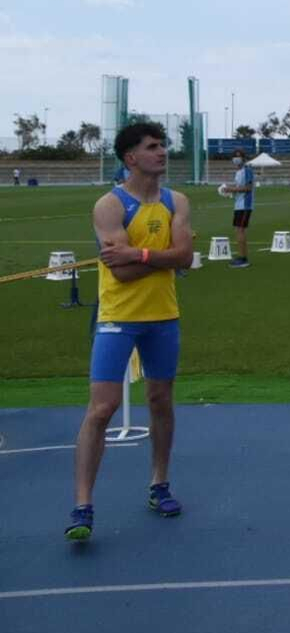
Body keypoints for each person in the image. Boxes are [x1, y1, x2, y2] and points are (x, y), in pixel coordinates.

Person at [66, 122, 194, 541]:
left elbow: (185, 257)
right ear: (130, 158)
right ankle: (83, 506)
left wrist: (140, 253)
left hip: (163, 317)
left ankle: (160, 484)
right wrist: (163, 258)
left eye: (163, 145)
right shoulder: (110, 205)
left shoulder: (177, 201)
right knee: (101, 410)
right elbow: (118, 274)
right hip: (117, 319)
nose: (162, 152)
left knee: (160, 401)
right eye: (153, 147)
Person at [221, 152, 255, 267]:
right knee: (238, 231)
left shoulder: (247, 170)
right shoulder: (238, 172)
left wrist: (231, 190)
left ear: (243, 158)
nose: (236, 158)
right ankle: (242, 257)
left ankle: (243, 259)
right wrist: (230, 191)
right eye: (234, 156)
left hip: (245, 205)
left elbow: (248, 188)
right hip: (239, 204)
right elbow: (239, 187)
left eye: (238, 156)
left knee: (240, 231)